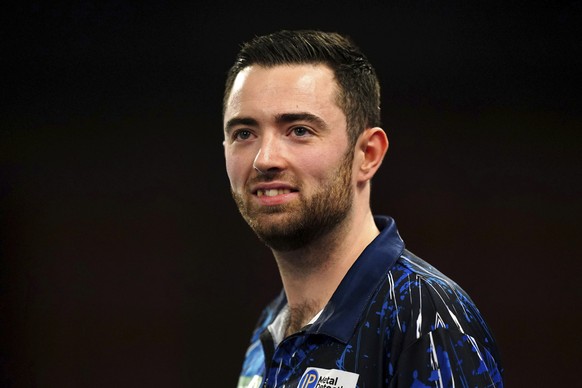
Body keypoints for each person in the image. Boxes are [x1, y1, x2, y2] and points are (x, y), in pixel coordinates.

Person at [223, 30, 503, 388]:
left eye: (299, 130)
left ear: (367, 154)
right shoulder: (269, 329)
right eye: (244, 133)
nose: (265, 159)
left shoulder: (425, 317)